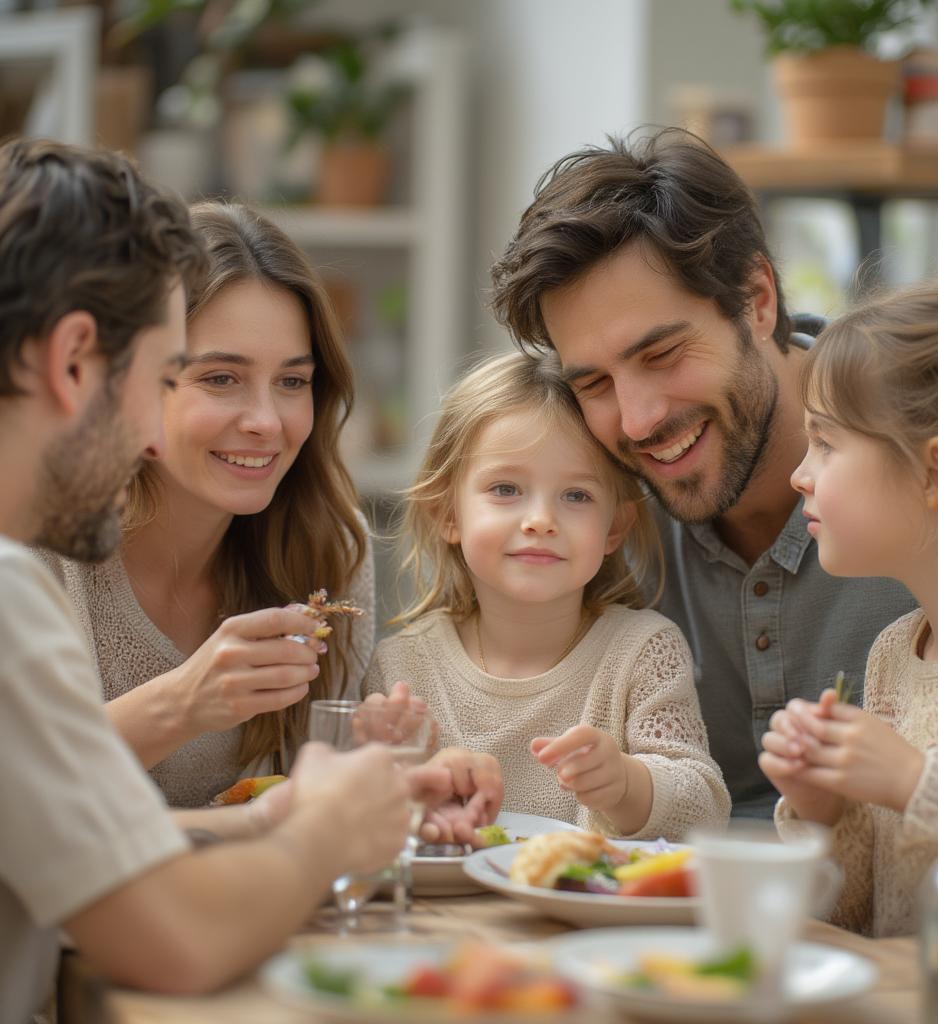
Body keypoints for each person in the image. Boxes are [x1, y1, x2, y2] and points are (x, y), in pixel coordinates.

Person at [0, 138, 450, 1023]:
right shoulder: (14, 593)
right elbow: (173, 941)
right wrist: (323, 830)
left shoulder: (326, 542)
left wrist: (360, 795)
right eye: (175, 375)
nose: (148, 435)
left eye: (294, 382)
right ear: (74, 360)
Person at [489, 128, 915, 817]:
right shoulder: (590, 510)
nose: (635, 420)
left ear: (758, 299)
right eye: (594, 382)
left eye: (660, 355)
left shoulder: (937, 455)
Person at [36, 202, 376, 808]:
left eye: (293, 381)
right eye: (220, 378)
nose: (267, 422)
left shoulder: (330, 543)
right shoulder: (40, 548)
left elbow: (328, 804)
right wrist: (180, 705)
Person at [363, 351, 731, 839]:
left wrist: (625, 785)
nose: (540, 520)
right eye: (506, 489)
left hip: (588, 912)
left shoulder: (644, 652)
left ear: (614, 528)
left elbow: (703, 807)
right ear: (446, 514)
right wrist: (389, 767)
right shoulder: (402, 668)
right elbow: (348, 823)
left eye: (576, 495)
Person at [759, 276, 938, 937]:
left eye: (826, 441)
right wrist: (824, 811)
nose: (801, 473)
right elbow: (858, 918)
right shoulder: (892, 657)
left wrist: (912, 783)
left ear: (934, 472)